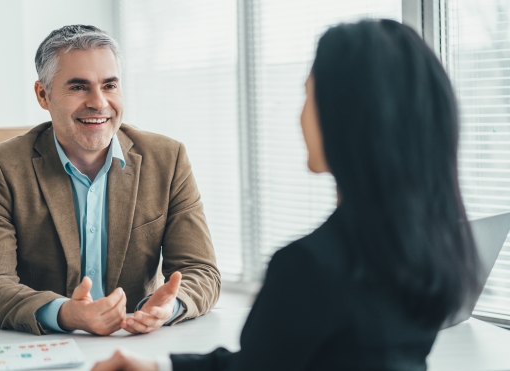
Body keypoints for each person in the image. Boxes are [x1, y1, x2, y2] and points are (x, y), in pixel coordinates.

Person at [90, 19, 480, 371]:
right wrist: (160, 367)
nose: (300, 114)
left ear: (347, 118)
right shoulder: (429, 252)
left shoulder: (309, 268)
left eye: (309, 95)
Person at [0, 25, 220, 336]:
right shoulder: (2, 167)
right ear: (43, 95)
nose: (99, 103)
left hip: (134, 344)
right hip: (44, 347)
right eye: (78, 87)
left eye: (109, 85)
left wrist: (169, 306)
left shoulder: (167, 159)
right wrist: (68, 314)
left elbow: (201, 272)